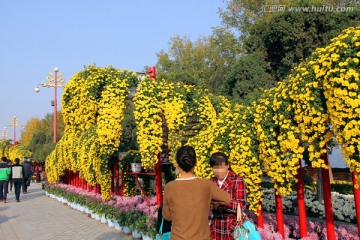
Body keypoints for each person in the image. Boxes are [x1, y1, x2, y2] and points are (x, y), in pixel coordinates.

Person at [162, 146, 231, 240]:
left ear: (177, 164)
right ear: (196, 163)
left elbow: (167, 216)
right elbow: (227, 199)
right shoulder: (207, 185)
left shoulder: (169, 187)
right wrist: (212, 202)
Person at [209, 152, 246, 240]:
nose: (218, 171)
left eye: (221, 167)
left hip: (232, 228)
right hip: (216, 228)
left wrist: (222, 201)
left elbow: (241, 205)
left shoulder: (237, 180)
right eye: (215, 168)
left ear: (227, 165)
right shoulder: (211, 181)